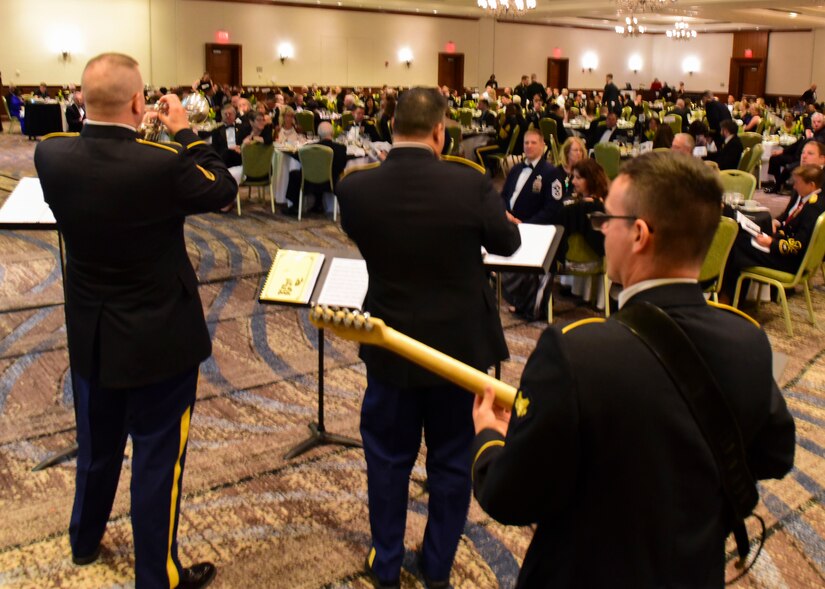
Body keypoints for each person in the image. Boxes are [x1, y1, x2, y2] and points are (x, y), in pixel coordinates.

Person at [471, 151, 795, 588]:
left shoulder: (576, 353)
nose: (601, 229)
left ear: (639, 234)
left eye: (608, 219)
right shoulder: (748, 339)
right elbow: (774, 454)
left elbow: (509, 497)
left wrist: (489, 437)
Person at [33, 52, 236, 589]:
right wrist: (188, 131)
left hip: (91, 334)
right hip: (158, 340)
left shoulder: (49, 156)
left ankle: (84, 540)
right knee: (155, 462)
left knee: (97, 449)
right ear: (138, 102)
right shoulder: (162, 164)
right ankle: (157, 576)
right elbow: (222, 187)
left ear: (80, 100)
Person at [336, 87, 521, 589]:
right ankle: (437, 567)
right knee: (452, 462)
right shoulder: (469, 182)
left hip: (390, 343)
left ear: (391, 127)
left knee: (388, 461)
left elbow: (368, 236)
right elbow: (508, 242)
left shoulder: (356, 188)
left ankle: (387, 564)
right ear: (440, 131)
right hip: (458, 352)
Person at [723, 164, 825, 302]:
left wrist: (771, 243)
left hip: (790, 262)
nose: (794, 187)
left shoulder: (813, 208)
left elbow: (798, 245)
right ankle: (735, 296)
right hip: (791, 257)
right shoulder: (813, 202)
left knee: (739, 246)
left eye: (798, 183)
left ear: (811, 185)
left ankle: (731, 297)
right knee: (744, 238)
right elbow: (793, 229)